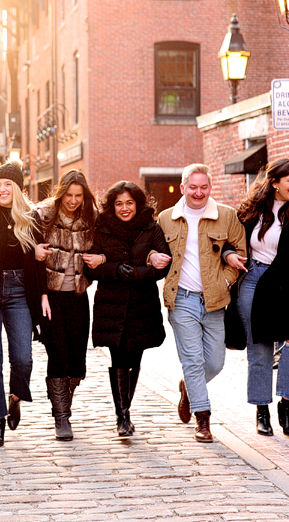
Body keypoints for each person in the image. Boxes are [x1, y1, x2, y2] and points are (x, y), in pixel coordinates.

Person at [153, 164, 246, 443]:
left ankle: (188, 388)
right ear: (183, 188)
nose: (198, 192)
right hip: (181, 300)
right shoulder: (166, 218)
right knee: (193, 361)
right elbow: (153, 251)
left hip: (215, 301)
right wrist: (150, 259)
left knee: (215, 363)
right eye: (192, 187)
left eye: (203, 187)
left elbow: (240, 252)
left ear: (210, 187)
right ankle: (203, 419)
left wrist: (226, 281)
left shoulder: (226, 216)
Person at [232, 159, 289, 437]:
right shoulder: (252, 211)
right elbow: (230, 242)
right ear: (274, 183)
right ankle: (261, 410)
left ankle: (287, 405)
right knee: (259, 348)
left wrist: (286, 269)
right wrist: (228, 256)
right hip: (255, 281)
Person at [85, 181, 170, 437]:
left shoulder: (151, 227)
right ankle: (123, 417)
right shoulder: (102, 228)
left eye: (129, 203)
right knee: (119, 356)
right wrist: (113, 269)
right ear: (112, 205)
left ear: (138, 204)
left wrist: (134, 271)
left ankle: (125, 409)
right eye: (119, 203)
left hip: (142, 304)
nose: (124, 208)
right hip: (112, 303)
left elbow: (163, 264)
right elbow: (91, 264)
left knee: (135, 357)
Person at [0, 162, 48, 448]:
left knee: (23, 358)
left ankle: (15, 397)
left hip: (20, 292)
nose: (3, 189)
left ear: (18, 189)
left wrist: (42, 294)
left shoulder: (31, 218)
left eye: (9, 185)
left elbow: (39, 261)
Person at [34, 169, 100, 440]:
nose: (73, 201)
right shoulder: (43, 216)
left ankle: (63, 398)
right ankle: (62, 417)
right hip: (50, 297)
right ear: (61, 193)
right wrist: (41, 294)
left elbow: (104, 247)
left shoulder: (91, 217)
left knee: (77, 363)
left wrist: (102, 259)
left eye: (78, 196)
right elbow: (31, 260)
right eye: (69, 195)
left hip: (78, 296)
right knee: (57, 354)